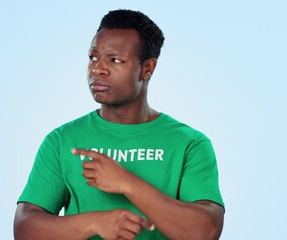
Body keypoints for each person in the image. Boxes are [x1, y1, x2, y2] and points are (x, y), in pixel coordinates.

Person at [14, 9, 224, 240]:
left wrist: (128, 183)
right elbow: (24, 229)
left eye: (115, 60)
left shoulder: (189, 143)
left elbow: (205, 232)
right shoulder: (62, 140)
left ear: (147, 69)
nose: (98, 69)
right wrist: (93, 223)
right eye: (93, 58)